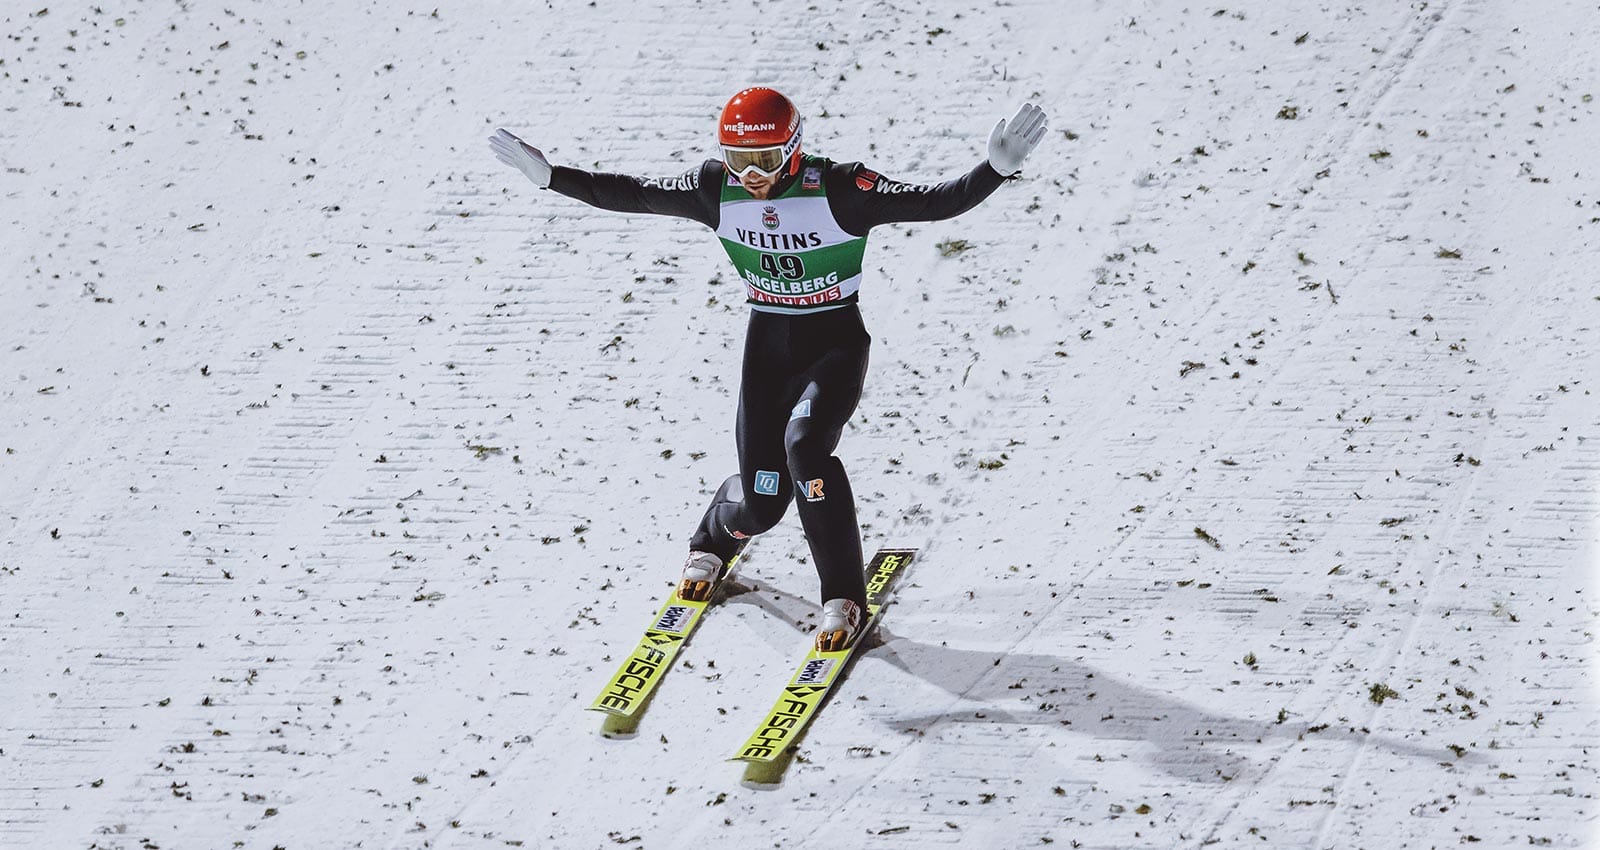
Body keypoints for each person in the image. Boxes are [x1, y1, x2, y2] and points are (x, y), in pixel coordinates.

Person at [490, 88, 1046, 651]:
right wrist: (550, 177)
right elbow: (633, 193)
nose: (751, 176)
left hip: (834, 346)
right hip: (768, 353)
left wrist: (994, 170)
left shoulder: (841, 189)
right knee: (762, 505)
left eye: (765, 160)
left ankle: (843, 597)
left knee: (806, 449)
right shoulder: (716, 189)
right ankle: (714, 535)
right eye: (739, 160)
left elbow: (936, 202)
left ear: (794, 149)